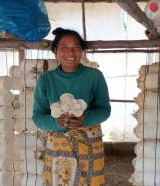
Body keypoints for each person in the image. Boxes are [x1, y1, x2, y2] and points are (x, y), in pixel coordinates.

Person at [33, 27, 111, 186]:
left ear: (81, 51)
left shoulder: (94, 76)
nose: (70, 53)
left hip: (88, 144)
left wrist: (84, 119)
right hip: (58, 146)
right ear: (55, 51)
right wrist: (56, 123)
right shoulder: (46, 79)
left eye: (76, 47)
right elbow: (38, 116)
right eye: (64, 48)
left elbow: (104, 109)